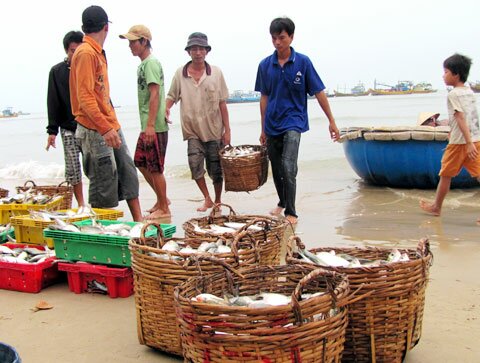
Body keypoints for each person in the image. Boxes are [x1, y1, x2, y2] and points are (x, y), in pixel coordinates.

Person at [255, 17, 339, 225]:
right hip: (272, 123)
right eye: (274, 38)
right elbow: (264, 97)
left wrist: (331, 121)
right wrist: (263, 127)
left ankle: (291, 211)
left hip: (294, 121)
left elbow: (319, 92)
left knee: (288, 164)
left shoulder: (303, 62)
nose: (277, 42)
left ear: (291, 37)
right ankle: (282, 201)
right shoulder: (265, 65)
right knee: (276, 165)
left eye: (281, 38)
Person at [69, 5, 142, 221]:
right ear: (105, 27)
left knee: (128, 171)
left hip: (109, 123)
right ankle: (102, 231)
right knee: (103, 183)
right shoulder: (84, 53)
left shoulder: (96, 52)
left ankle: (140, 223)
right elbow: (85, 98)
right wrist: (105, 128)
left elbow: (99, 94)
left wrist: (112, 126)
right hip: (94, 128)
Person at [166, 32, 231, 212]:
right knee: (195, 166)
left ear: (206, 51)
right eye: (194, 49)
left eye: (201, 48)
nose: (198, 52)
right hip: (192, 131)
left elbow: (222, 103)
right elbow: (171, 96)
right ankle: (207, 198)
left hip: (214, 131)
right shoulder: (180, 74)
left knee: (216, 171)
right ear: (189, 52)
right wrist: (166, 108)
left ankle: (217, 200)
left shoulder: (216, 73)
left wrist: (228, 131)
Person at [119, 25, 171, 220]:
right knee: (140, 162)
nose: (130, 45)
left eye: (133, 41)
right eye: (129, 42)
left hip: (154, 126)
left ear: (144, 41)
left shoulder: (150, 63)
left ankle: (164, 206)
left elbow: (155, 93)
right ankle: (161, 199)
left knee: (155, 167)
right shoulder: (143, 65)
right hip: (148, 124)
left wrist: (150, 125)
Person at [420, 53, 480, 218]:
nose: (443, 75)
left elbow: (460, 116)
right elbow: (470, 116)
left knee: (445, 175)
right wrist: (466, 138)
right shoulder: (469, 92)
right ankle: (436, 206)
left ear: (456, 74)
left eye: (446, 72)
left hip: (461, 143)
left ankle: (436, 207)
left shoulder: (453, 94)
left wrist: (466, 142)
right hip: (476, 139)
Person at [46, 30, 85, 208]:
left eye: (79, 50)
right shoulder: (57, 71)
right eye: (72, 50)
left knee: (95, 167)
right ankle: (81, 204)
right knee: (73, 169)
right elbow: (52, 101)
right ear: (66, 51)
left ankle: (96, 202)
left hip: (89, 126)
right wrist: (52, 131)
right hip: (68, 128)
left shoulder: (87, 67)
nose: (75, 54)